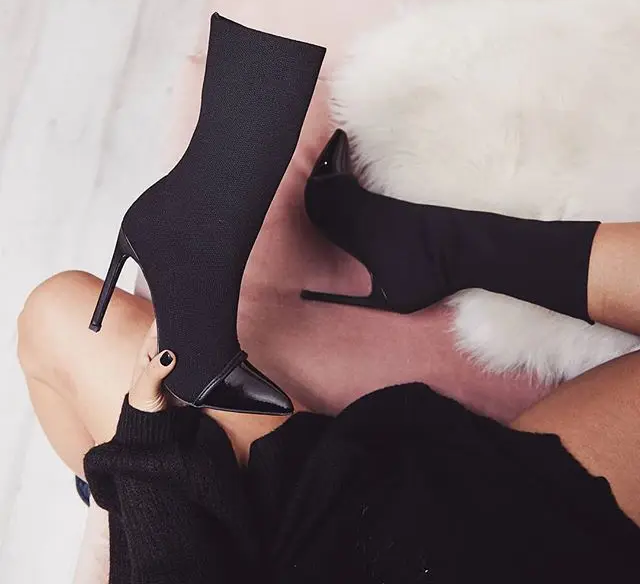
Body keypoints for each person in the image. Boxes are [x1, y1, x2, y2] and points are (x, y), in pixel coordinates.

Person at [17, 220, 640, 582]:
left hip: (379, 534)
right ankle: (439, 244)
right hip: (492, 540)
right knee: (63, 318)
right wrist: (144, 451)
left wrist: (142, 459)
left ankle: (105, 491)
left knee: (61, 314)